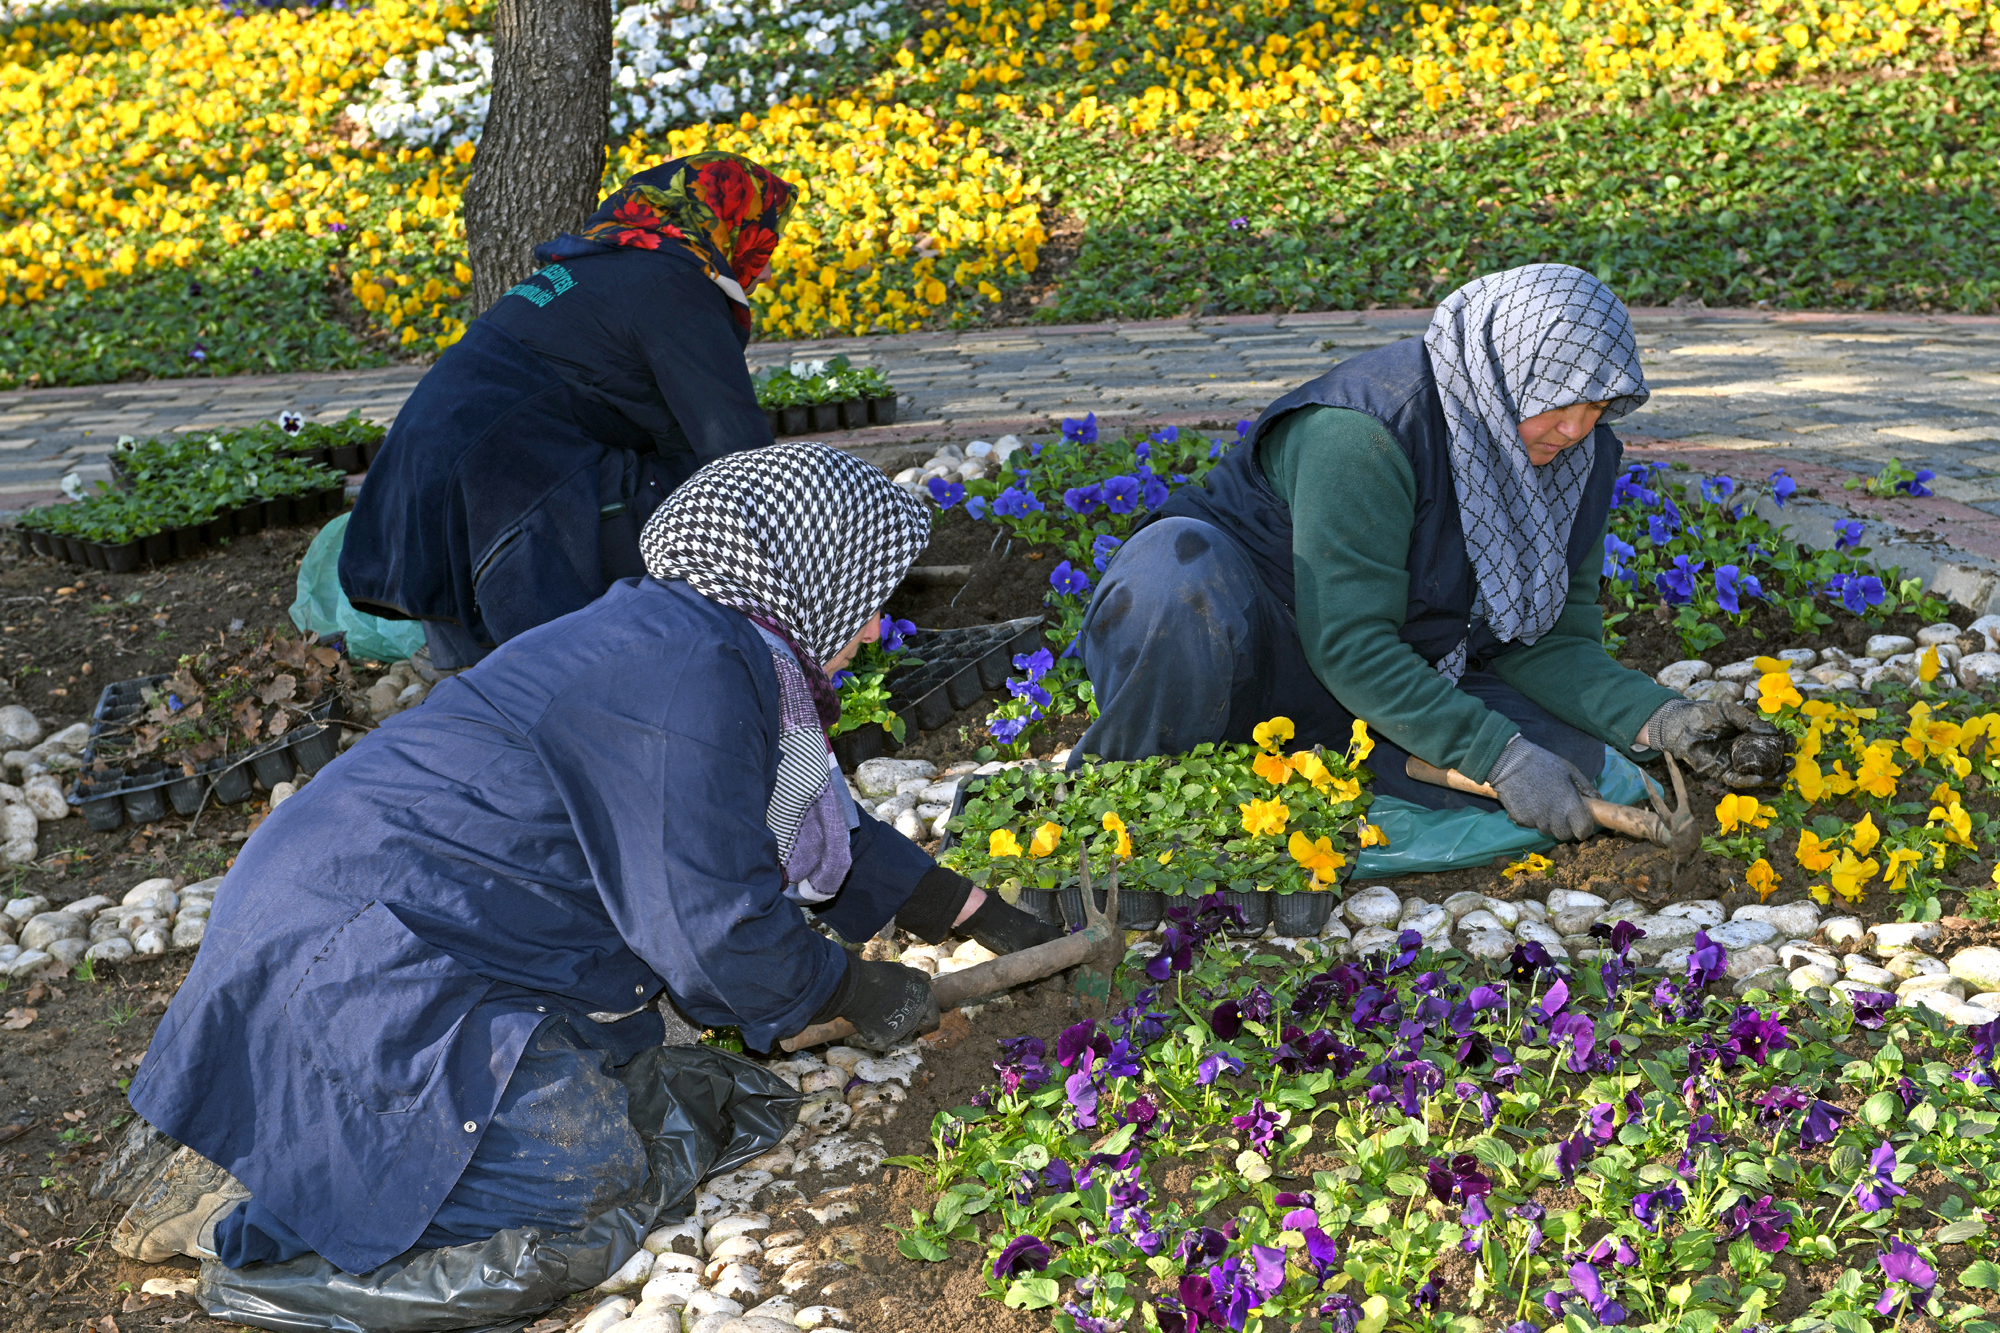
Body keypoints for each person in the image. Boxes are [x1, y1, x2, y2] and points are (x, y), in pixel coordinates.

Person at [115, 443, 1058, 1276]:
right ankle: (269, 1211)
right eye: (866, 604)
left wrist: (978, 917)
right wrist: (848, 990)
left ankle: (293, 1133)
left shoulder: (700, 640)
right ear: (804, 575)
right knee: (586, 1165)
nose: (867, 634)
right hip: (354, 956)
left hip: (408, 922)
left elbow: (805, 825)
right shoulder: (693, 674)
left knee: (631, 1067)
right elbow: (713, 925)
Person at [1072, 264, 1780, 839]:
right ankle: (1129, 792)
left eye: (1598, 407)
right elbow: (1347, 641)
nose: (1573, 428)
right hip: (1239, 643)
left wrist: (1662, 719)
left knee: (1587, 775)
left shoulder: (1577, 460)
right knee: (1176, 571)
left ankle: (1302, 772)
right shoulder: (1366, 432)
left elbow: (1548, 643)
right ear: (1505, 370)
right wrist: (1495, 755)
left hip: (1383, 680)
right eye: (1557, 399)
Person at [340, 151, 795, 670]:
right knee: (704, 490)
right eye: (761, 233)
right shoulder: (671, 284)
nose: (763, 253)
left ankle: (496, 669)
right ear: (730, 221)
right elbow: (739, 454)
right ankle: (637, 661)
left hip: (423, 512)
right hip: (498, 504)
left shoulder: (599, 266)